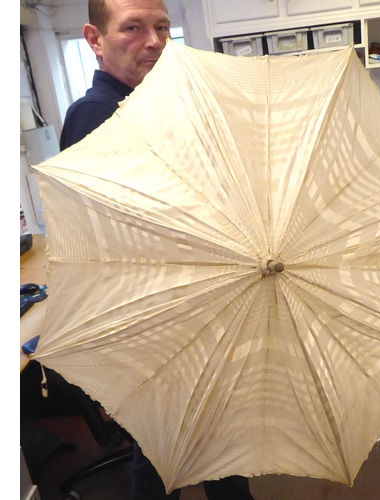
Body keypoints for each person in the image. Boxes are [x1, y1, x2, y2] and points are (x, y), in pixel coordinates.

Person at [60, 1, 255, 499]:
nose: (154, 41)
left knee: (199, 446)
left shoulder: (155, 105)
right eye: (133, 28)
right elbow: (102, 249)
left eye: (163, 27)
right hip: (154, 326)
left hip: (189, 312)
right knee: (179, 451)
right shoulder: (98, 116)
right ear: (94, 39)